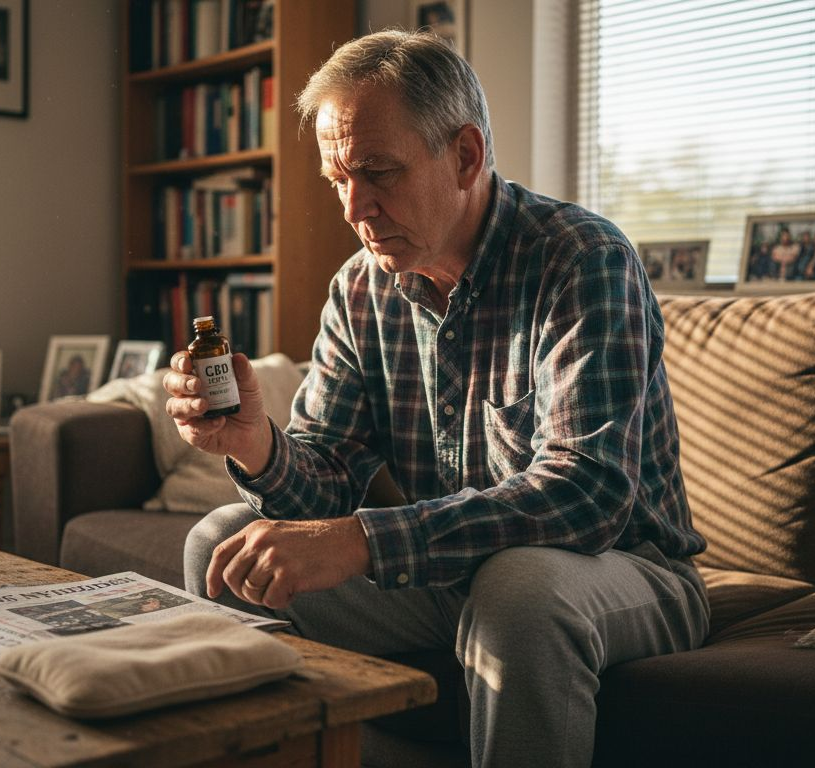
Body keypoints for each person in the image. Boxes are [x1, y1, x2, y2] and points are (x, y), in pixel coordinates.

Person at [164, 30, 708, 768]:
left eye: (378, 172)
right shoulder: (360, 288)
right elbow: (326, 474)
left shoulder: (583, 260)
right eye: (337, 180)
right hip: (452, 571)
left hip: (623, 568)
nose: (356, 208)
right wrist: (256, 444)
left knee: (520, 590)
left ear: (466, 156)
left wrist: (363, 541)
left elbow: (588, 496)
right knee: (221, 546)